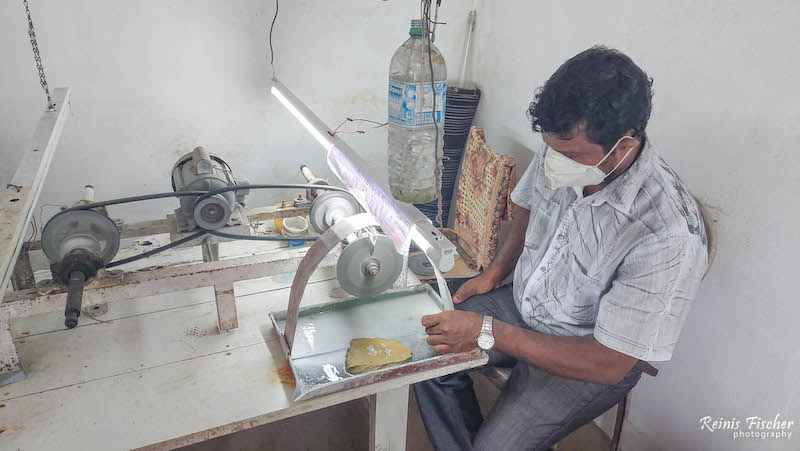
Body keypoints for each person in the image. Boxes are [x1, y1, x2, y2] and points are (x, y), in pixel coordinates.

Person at [415, 46, 708, 451]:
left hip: (587, 353)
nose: (553, 160)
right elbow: (527, 206)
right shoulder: (566, 147)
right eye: (549, 147)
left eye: (568, 154)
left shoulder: (668, 234)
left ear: (623, 147)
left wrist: (487, 332)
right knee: (426, 348)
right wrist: (495, 272)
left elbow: (608, 363)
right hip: (525, 304)